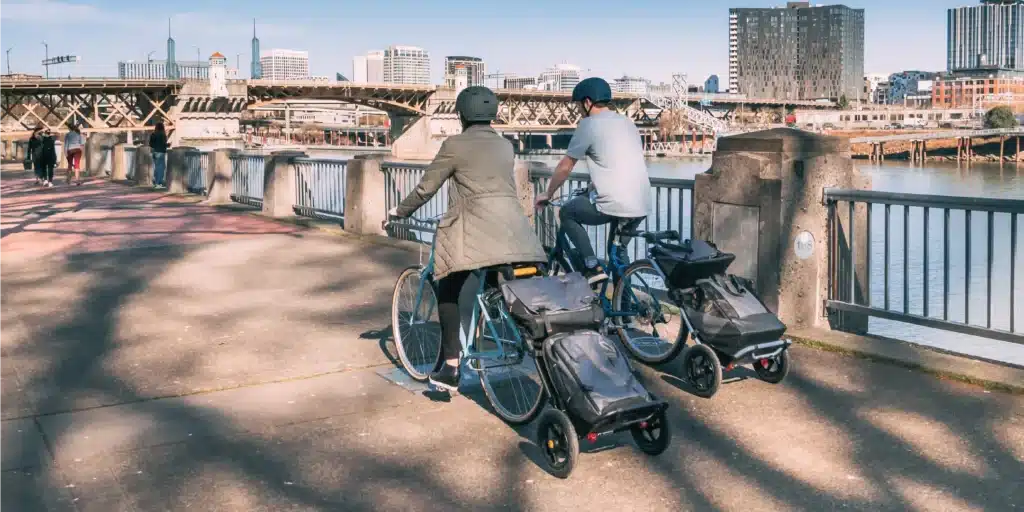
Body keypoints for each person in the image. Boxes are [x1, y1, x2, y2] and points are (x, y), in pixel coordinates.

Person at [388, 86, 547, 392]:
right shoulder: (505, 146)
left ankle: (451, 367)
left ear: (461, 115)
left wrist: (400, 211)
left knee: (447, 289)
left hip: (474, 232)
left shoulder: (454, 145)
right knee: (494, 280)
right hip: (514, 232)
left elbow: (426, 188)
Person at [534, 77, 651, 285]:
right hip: (641, 202)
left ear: (588, 102)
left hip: (615, 203)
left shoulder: (588, 124)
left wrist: (547, 193)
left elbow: (566, 166)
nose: (578, 110)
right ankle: (622, 304)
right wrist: (591, 188)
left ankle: (591, 266)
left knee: (567, 212)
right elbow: (618, 164)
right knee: (618, 254)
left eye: (579, 105)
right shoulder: (627, 123)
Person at [149, 122, 169, 187]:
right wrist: (168, 145)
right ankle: (159, 182)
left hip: (154, 152)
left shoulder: (153, 134)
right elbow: (163, 143)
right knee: (161, 168)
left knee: (157, 167)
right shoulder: (163, 134)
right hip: (161, 152)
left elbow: (151, 144)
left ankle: (156, 181)